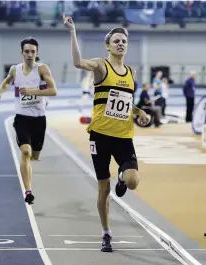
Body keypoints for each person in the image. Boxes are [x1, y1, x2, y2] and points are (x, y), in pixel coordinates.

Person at [63, 13, 148, 253]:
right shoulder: (101, 65)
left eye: (124, 41)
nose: (121, 43)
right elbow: (79, 63)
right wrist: (72, 32)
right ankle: (106, 232)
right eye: (116, 41)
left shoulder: (131, 73)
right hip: (100, 136)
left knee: (132, 181)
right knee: (103, 188)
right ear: (108, 46)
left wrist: (140, 112)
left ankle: (122, 177)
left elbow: (127, 103)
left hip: (123, 136)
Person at [0, 37, 57, 205]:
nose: (29, 54)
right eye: (26, 51)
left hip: (39, 120)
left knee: (34, 155)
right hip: (22, 119)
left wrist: (33, 91)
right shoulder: (15, 69)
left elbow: (53, 91)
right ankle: (28, 191)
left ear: (37, 53)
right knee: (25, 152)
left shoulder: (42, 69)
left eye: (33, 51)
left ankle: (33, 159)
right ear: (22, 53)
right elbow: (7, 81)